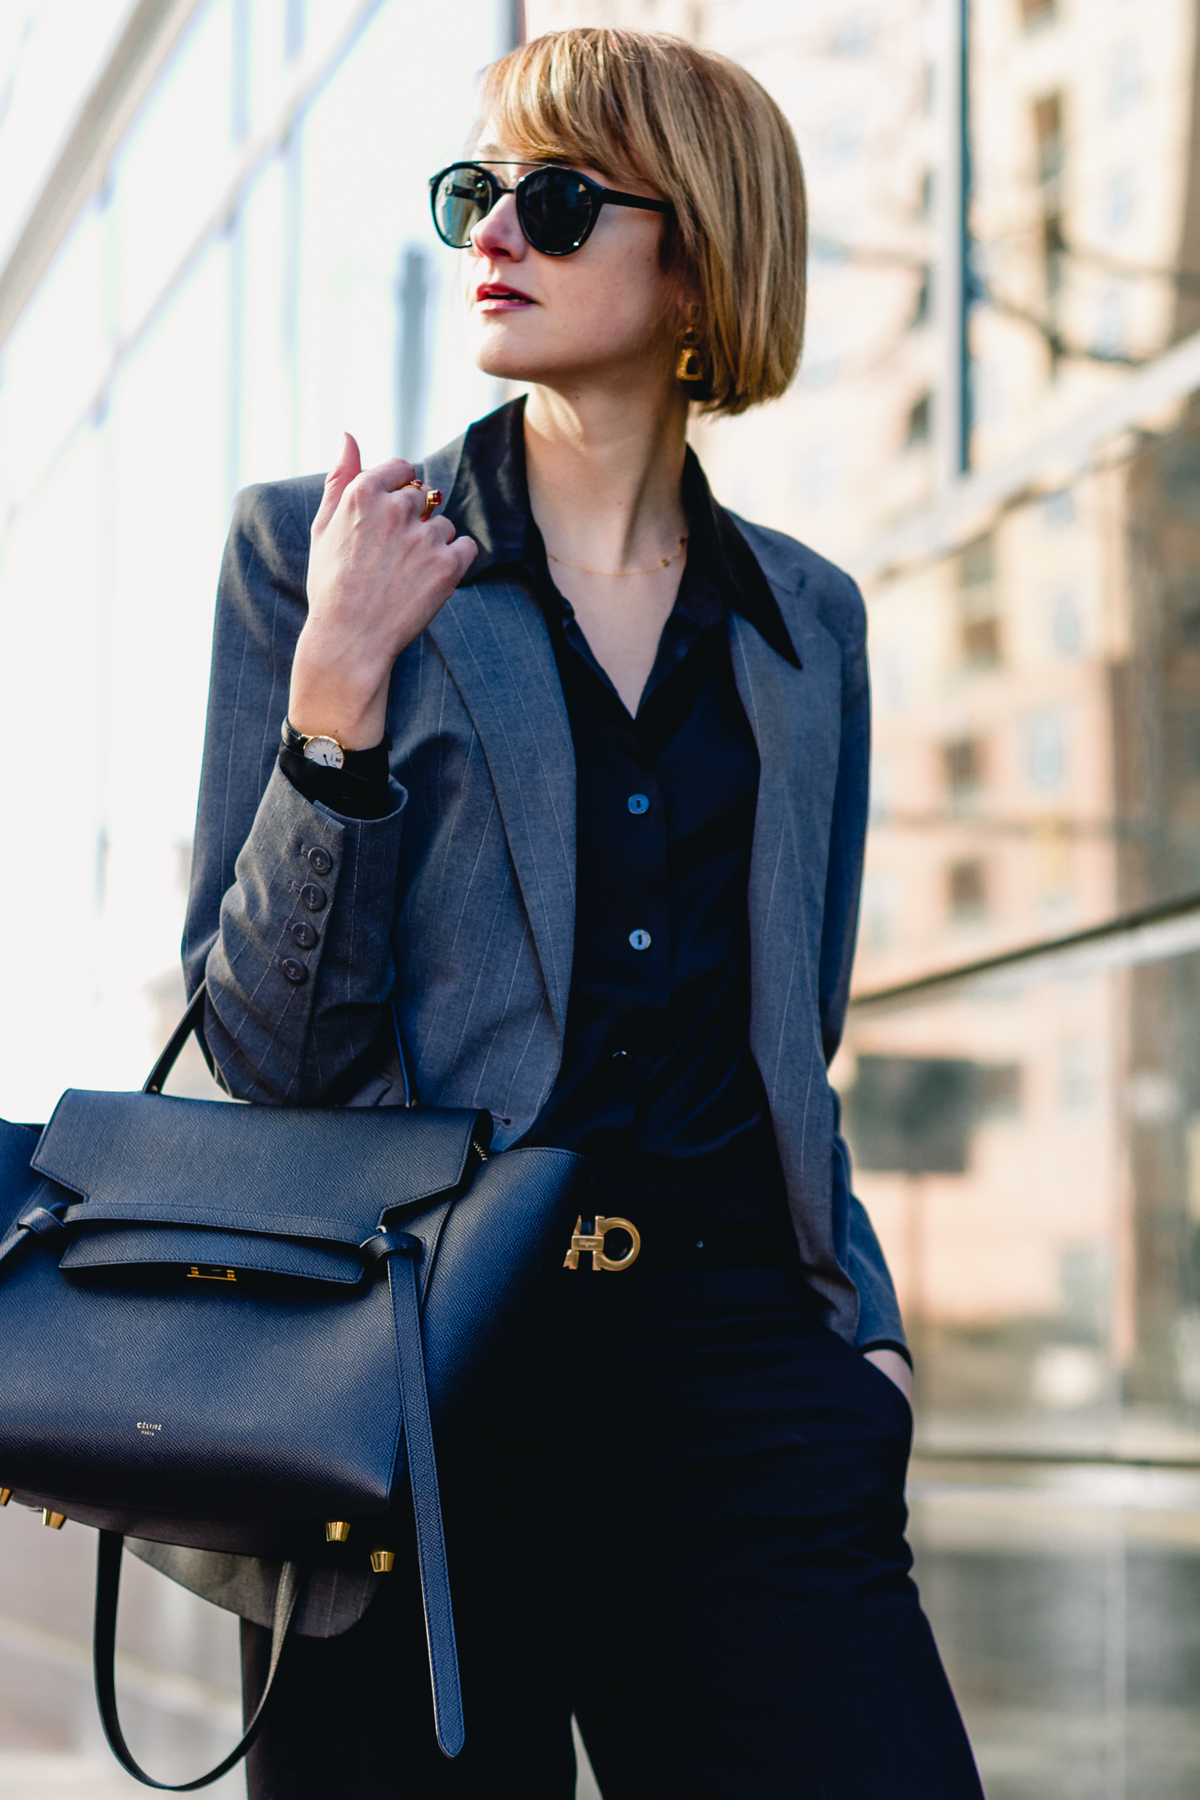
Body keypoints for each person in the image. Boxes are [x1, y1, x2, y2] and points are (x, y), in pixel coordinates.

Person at [174, 26, 983, 1799]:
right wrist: (337, 699)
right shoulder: (320, 552)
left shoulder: (810, 625)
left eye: (551, 199)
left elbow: (796, 1033)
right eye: (477, 194)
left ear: (696, 254)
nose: (493, 234)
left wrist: (867, 1345)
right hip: (418, 1384)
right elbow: (267, 1045)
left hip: (748, 1386)